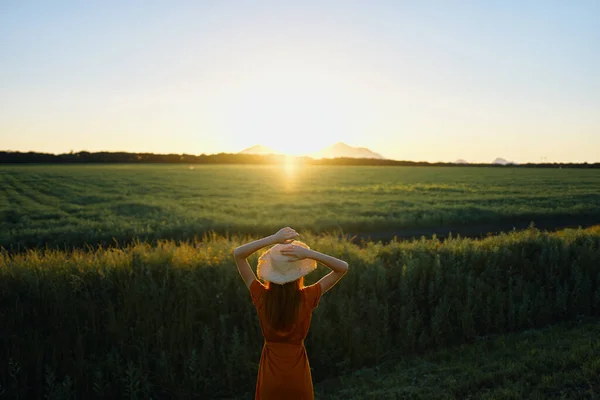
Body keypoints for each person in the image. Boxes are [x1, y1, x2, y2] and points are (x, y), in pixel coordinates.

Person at [233, 227, 349, 400]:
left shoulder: (261, 295)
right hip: (297, 377)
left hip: (270, 378)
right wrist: (308, 253)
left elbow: (238, 254)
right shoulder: (307, 297)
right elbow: (342, 267)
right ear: (299, 273)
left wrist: (273, 238)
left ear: (270, 273)